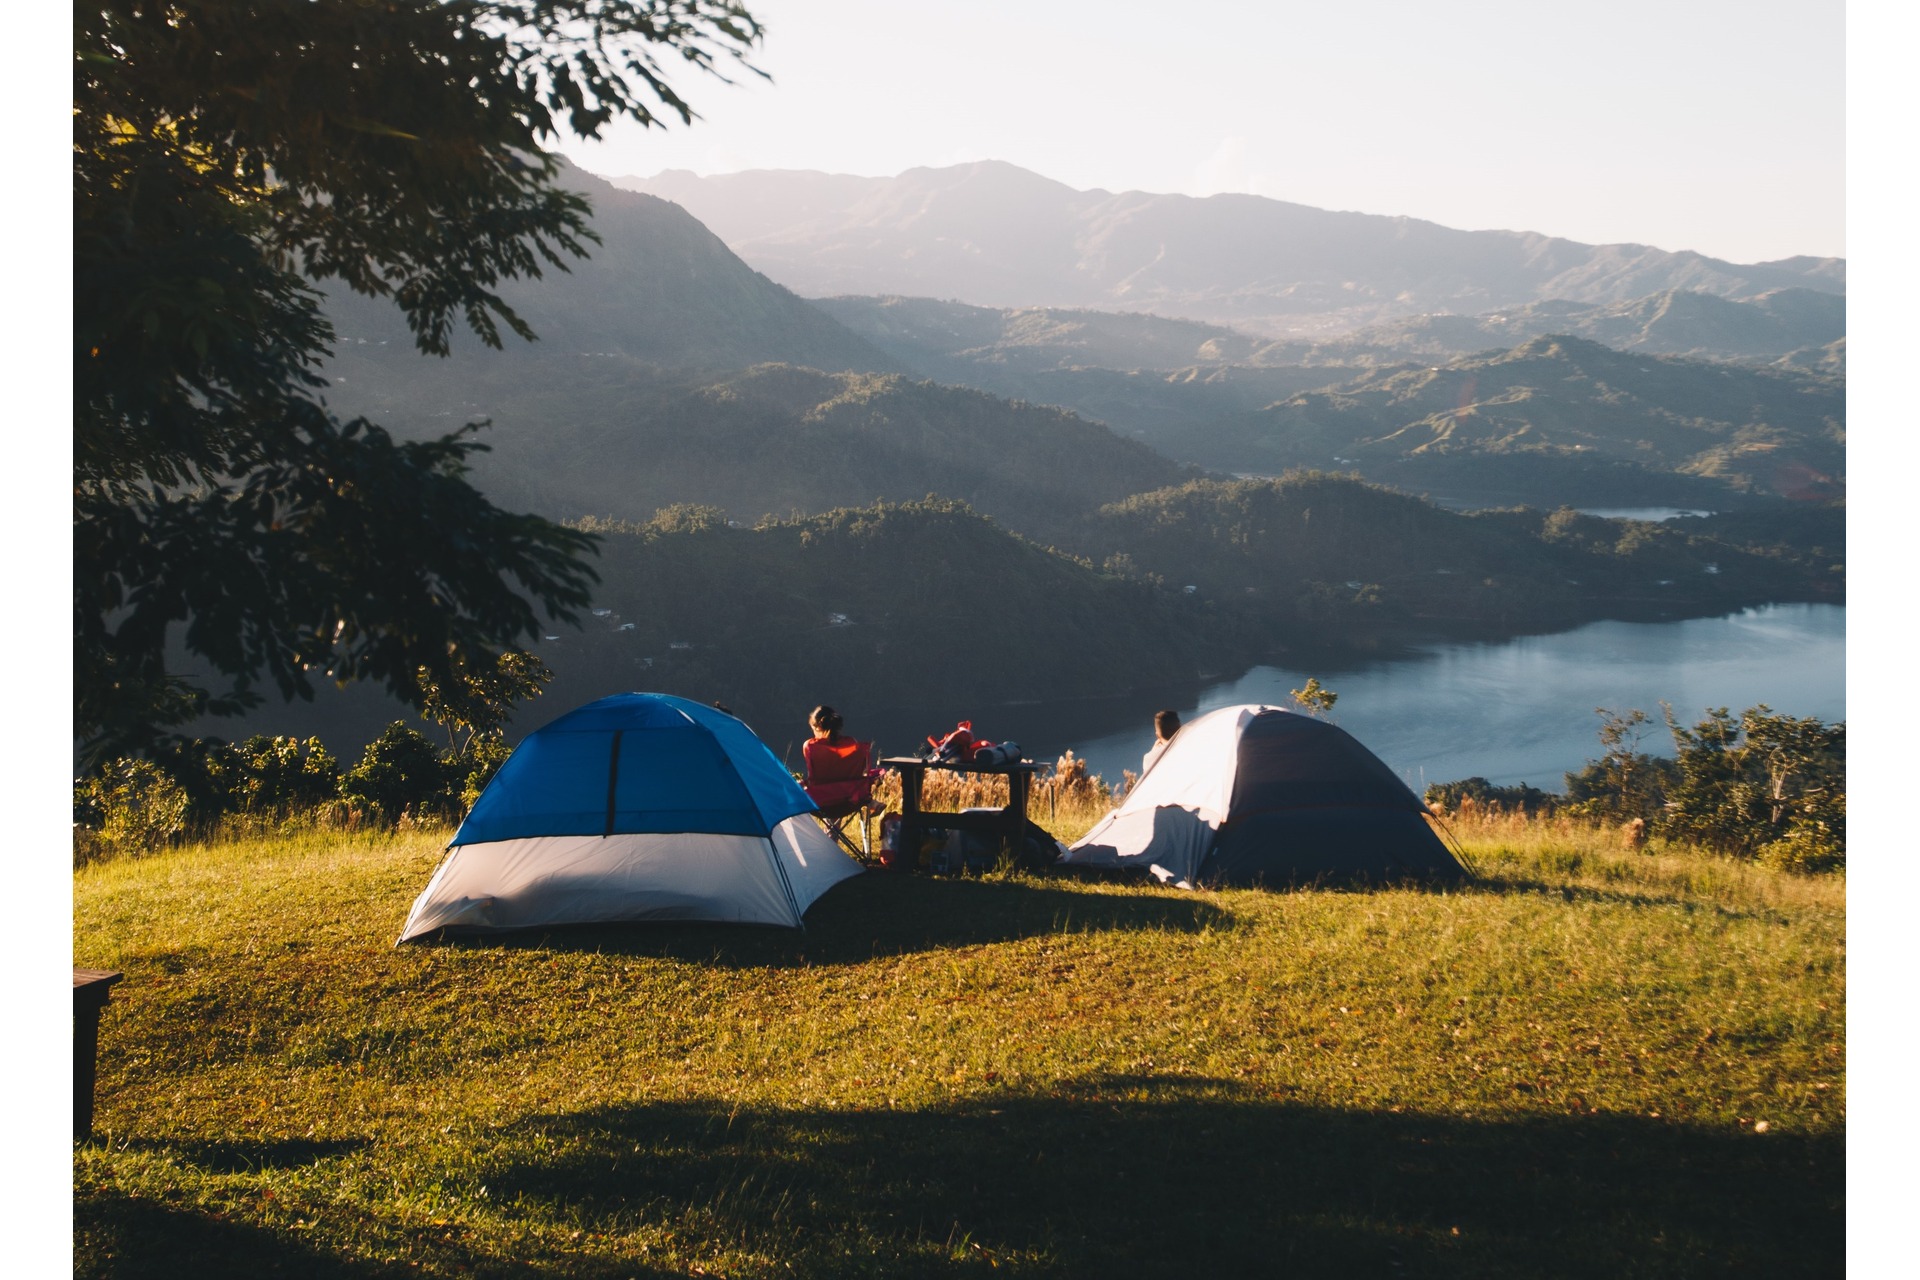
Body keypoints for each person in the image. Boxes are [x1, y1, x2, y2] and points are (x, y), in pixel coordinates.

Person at [1142, 709, 1181, 775]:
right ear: (1180, 728)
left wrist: (1153, 752)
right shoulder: (1191, 748)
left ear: (1157, 736)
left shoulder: (1148, 758)